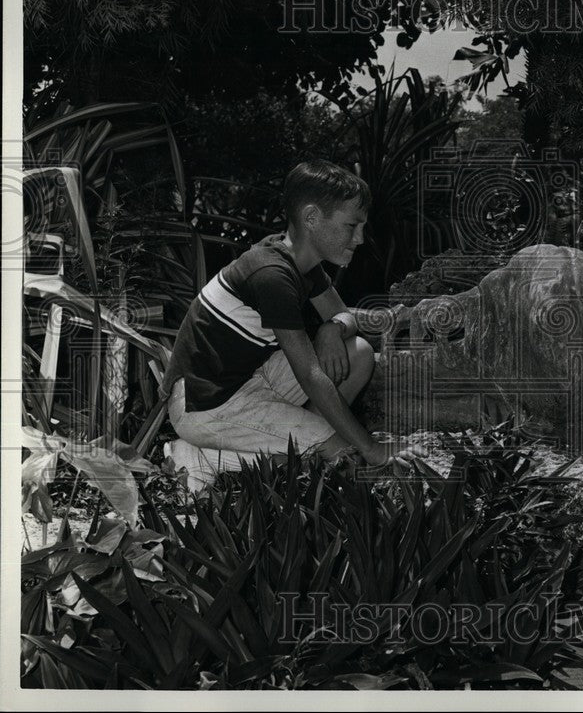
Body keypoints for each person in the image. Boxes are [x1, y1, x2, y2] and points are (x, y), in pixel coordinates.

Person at [160, 160, 418, 494]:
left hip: (247, 380)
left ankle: (306, 442)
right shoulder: (271, 274)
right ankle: (200, 457)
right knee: (345, 454)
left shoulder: (299, 260)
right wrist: (372, 448)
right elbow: (310, 376)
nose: (360, 238)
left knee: (359, 353)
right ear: (311, 218)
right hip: (204, 405)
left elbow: (345, 317)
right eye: (351, 225)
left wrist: (332, 329)